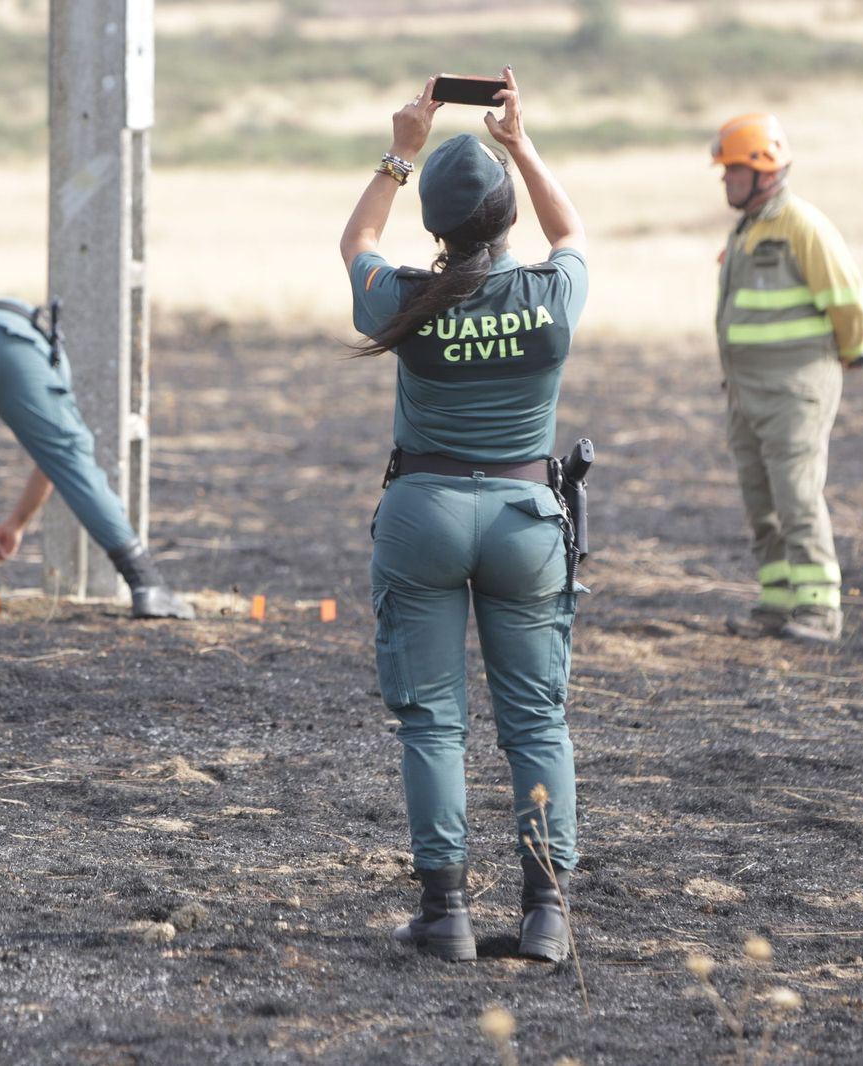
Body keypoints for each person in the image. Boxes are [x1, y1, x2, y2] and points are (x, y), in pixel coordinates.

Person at [339, 68, 587, 963]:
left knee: (433, 723)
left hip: (424, 513)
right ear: (505, 214)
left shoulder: (403, 300)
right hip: (526, 520)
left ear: (437, 227)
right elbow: (572, 232)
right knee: (536, 721)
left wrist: (399, 154)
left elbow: (357, 237)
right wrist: (520, 142)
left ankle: (445, 915)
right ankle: (546, 912)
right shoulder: (550, 301)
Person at [0, 297, 193, 620]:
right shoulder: (46, 345)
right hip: (17, 340)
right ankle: (147, 586)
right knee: (72, 458)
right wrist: (18, 522)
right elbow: (57, 462)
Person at [712, 113, 863, 645]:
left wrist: (850, 354)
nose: (724, 179)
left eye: (731, 169)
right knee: (761, 502)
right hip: (745, 391)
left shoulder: (802, 224)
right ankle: (777, 605)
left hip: (794, 389)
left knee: (797, 497)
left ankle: (822, 612)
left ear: (762, 170)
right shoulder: (748, 229)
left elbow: (846, 298)